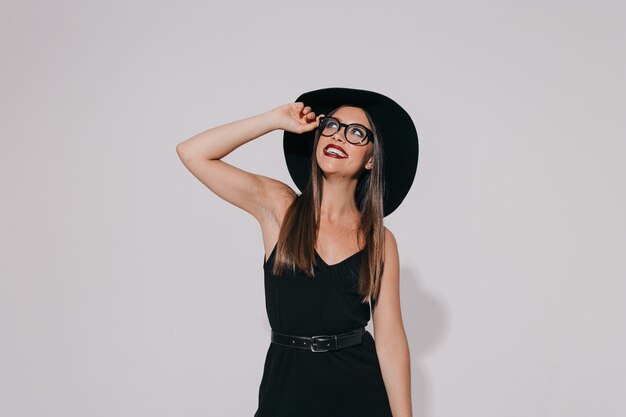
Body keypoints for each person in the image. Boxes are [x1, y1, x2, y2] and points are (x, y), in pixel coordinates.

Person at [176, 87, 419, 417]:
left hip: (359, 391)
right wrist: (273, 120)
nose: (338, 136)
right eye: (331, 125)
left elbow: (390, 338)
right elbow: (192, 153)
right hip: (287, 390)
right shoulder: (280, 207)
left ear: (371, 159)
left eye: (356, 133)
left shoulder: (379, 239)